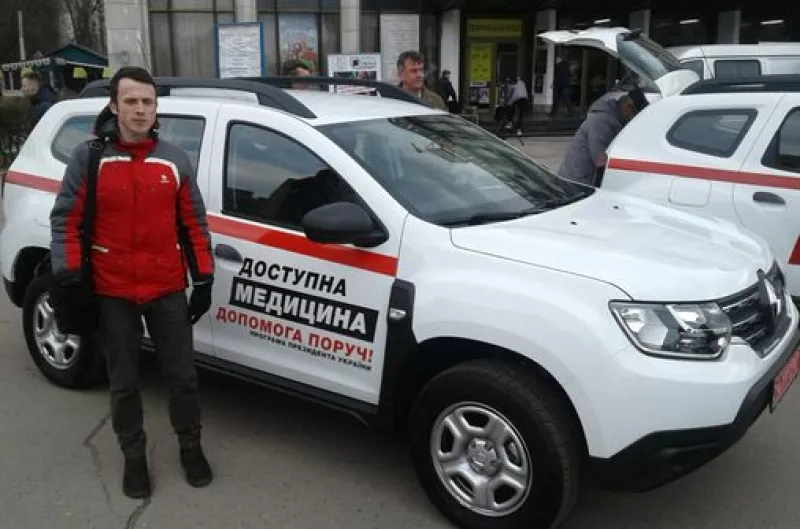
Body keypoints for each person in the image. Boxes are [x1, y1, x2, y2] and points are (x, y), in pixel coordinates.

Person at [48, 66, 215, 499]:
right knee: (123, 381)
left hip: (166, 287)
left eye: (147, 102)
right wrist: (69, 277)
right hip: (112, 289)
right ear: (114, 105)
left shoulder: (174, 159)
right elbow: (65, 221)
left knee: (182, 377)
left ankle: (191, 446)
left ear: (156, 108)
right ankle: (134, 456)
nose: (140, 109)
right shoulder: (90, 158)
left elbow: (194, 223)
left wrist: (204, 278)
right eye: (131, 101)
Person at [556, 92, 640, 186]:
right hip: (576, 182)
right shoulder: (601, 121)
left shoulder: (611, 120)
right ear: (628, 108)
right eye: (634, 114)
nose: (633, 119)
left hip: (578, 179)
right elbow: (600, 158)